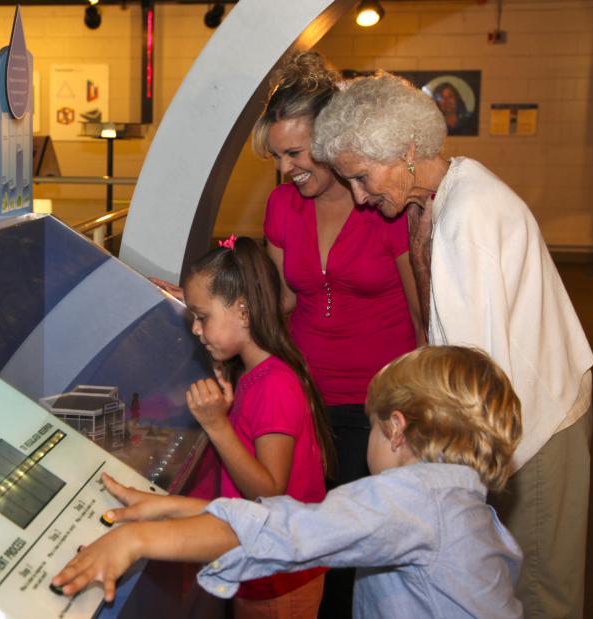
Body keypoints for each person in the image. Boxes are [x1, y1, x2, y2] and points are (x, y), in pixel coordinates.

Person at [311, 71, 593, 618]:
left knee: (539, 590)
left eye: (363, 177)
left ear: (407, 149)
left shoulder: (469, 215)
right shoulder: (453, 188)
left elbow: (472, 374)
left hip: (538, 424)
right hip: (527, 410)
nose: (360, 197)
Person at [51, 346, 524, 619]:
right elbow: (301, 519)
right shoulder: (459, 503)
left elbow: (288, 532)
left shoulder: (414, 499)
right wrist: (170, 507)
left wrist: (135, 540)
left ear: (397, 429)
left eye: (374, 427)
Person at [253, 51, 423, 617]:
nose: (285, 169)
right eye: (277, 156)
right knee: (311, 538)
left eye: (296, 154)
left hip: (379, 404)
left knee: (361, 552)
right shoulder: (282, 206)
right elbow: (278, 302)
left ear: (330, 141)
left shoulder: (384, 205)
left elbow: (425, 316)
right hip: (309, 399)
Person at [179, 235, 335, 618]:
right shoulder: (256, 374)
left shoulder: (274, 384)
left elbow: (269, 491)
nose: (197, 331)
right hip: (262, 567)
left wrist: (218, 426)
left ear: (243, 311)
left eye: (203, 317)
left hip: (281, 579)